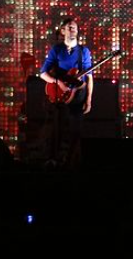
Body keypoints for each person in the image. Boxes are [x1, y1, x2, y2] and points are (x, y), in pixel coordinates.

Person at [38, 17, 94, 167]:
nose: (73, 29)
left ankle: (72, 163)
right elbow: (43, 74)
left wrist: (89, 99)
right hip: (60, 97)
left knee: (76, 131)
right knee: (57, 130)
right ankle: (54, 161)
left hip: (78, 97)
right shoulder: (57, 50)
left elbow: (89, 77)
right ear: (62, 31)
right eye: (69, 27)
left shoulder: (84, 51)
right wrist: (60, 84)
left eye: (74, 27)